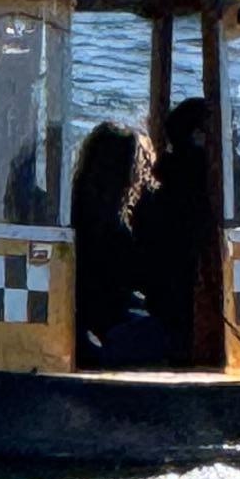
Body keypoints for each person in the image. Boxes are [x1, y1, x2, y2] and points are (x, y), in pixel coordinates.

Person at [131, 95, 218, 362]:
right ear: (198, 136)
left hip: (160, 307)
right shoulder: (206, 187)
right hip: (178, 308)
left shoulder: (155, 189)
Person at [71, 120, 164, 364]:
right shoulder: (113, 227)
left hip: (83, 318)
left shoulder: (74, 208)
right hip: (104, 325)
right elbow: (137, 279)